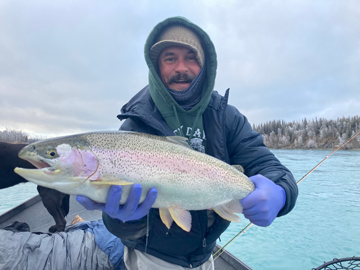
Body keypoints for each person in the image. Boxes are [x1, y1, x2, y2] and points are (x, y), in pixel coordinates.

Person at [77, 16, 298, 269]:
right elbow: (119, 225)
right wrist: (123, 221)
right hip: (151, 258)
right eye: (170, 58)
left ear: (204, 66)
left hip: (205, 257)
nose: (181, 67)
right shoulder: (135, 125)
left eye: (191, 57)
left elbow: (270, 167)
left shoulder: (226, 116)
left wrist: (280, 193)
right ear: (156, 66)